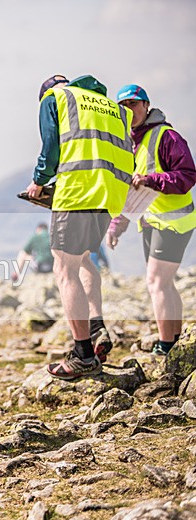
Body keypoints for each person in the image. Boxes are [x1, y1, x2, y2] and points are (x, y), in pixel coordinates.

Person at [25, 74, 134, 380]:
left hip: (77, 191)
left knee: (64, 268)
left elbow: (52, 148)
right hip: (109, 195)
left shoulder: (55, 99)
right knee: (84, 258)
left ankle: (83, 354)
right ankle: (97, 326)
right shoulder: (110, 106)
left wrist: (38, 181)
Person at [107, 84, 196, 356]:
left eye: (134, 104)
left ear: (146, 105)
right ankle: (176, 338)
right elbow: (127, 191)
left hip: (174, 221)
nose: (129, 110)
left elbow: (188, 175)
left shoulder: (167, 136)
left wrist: (151, 180)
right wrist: (117, 225)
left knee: (156, 281)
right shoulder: (126, 142)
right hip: (150, 221)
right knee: (164, 283)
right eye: (123, 106)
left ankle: (165, 345)